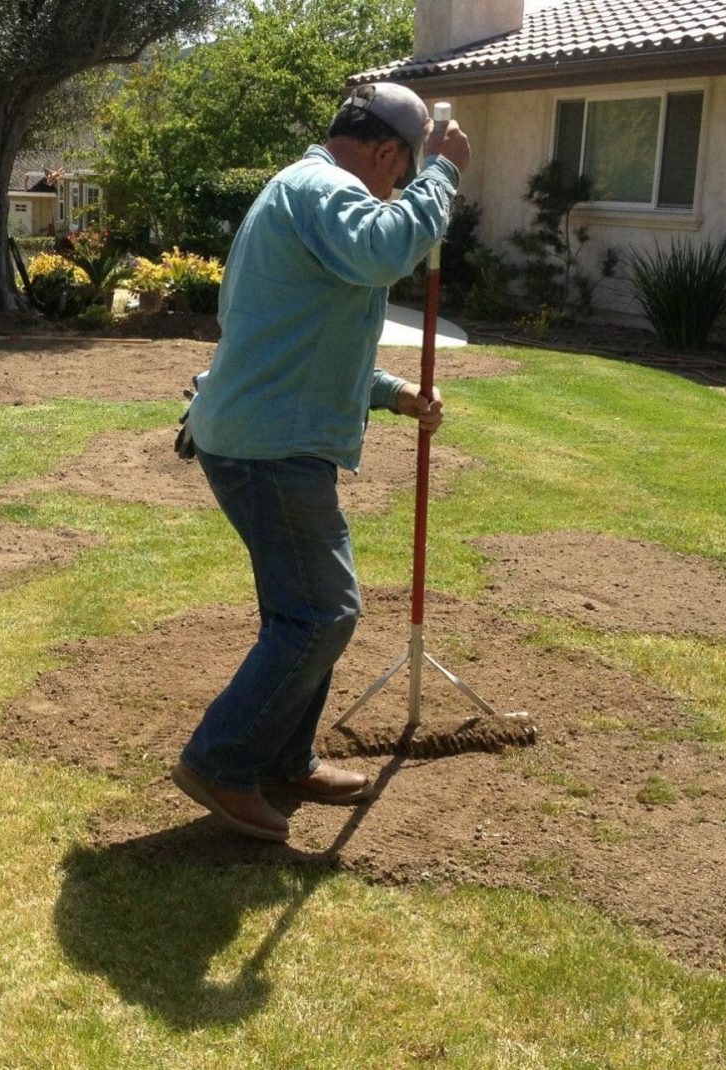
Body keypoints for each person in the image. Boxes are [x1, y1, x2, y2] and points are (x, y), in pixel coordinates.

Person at [171, 82, 472, 842]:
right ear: (383, 152)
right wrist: (442, 174)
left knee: (298, 610)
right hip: (269, 447)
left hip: (262, 432)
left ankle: (287, 757)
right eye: (401, 173)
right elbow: (384, 251)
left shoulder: (304, 194)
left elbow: (302, 341)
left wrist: (393, 392)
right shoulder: (325, 190)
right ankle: (221, 760)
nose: (398, 188)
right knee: (322, 610)